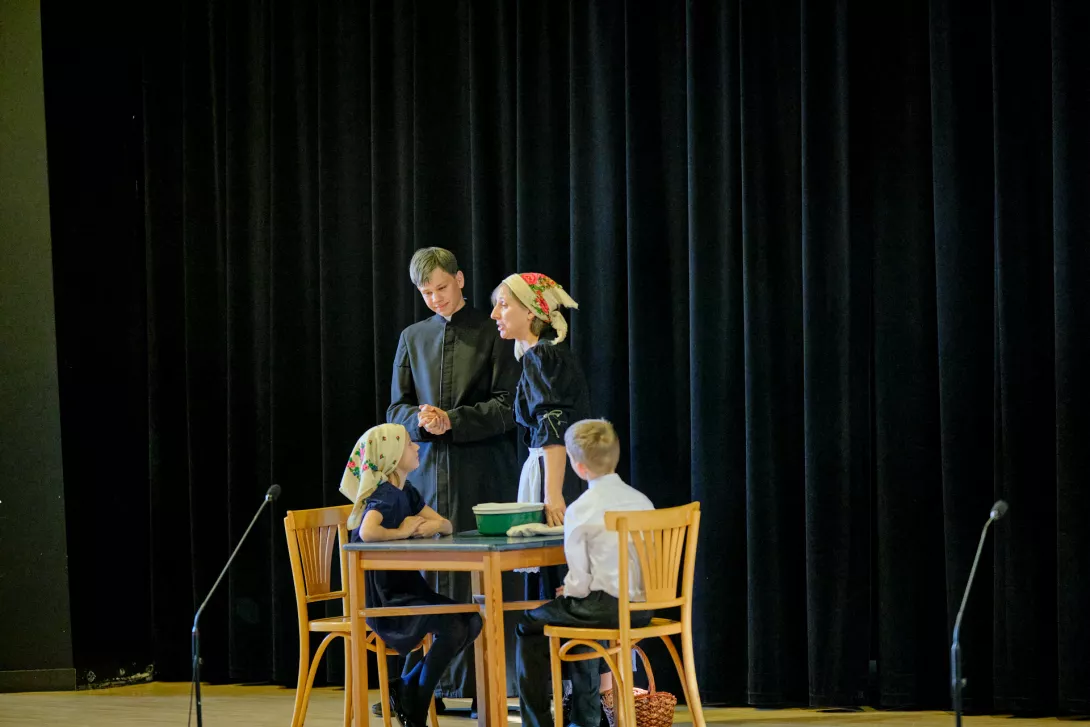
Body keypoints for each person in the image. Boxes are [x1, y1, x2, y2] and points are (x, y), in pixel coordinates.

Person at [387, 247, 521, 704]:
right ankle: (426, 687)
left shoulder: (493, 330)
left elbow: (509, 405)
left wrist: (454, 421)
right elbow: (395, 408)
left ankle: (488, 689)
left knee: (481, 581)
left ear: (460, 280)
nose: (435, 298)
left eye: (442, 288)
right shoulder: (412, 336)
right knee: (427, 581)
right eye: (426, 293)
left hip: (482, 473)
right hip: (425, 477)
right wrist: (419, 420)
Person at [339, 423, 482, 727]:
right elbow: (367, 531)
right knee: (455, 626)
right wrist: (401, 532)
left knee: (472, 620)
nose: (417, 447)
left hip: (409, 591)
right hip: (385, 599)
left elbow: (446, 524)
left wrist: (435, 526)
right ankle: (416, 710)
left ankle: (406, 687)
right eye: (409, 444)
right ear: (391, 455)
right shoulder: (384, 495)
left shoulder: (406, 491)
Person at [515, 419, 654, 727]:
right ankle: (584, 719)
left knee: (528, 624)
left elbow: (578, 581)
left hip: (606, 607)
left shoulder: (582, 508)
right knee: (577, 618)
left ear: (577, 467)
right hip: (643, 609)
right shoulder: (642, 501)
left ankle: (539, 722)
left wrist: (571, 590)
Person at [490, 272, 590, 600]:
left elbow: (553, 425)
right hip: (558, 471)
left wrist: (553, 494)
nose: (495, 314)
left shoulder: (543, 356)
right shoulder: (544, 354)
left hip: (557, 475)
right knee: (554, 578)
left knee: (555, 577)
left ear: (531, 311)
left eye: (504, 305)